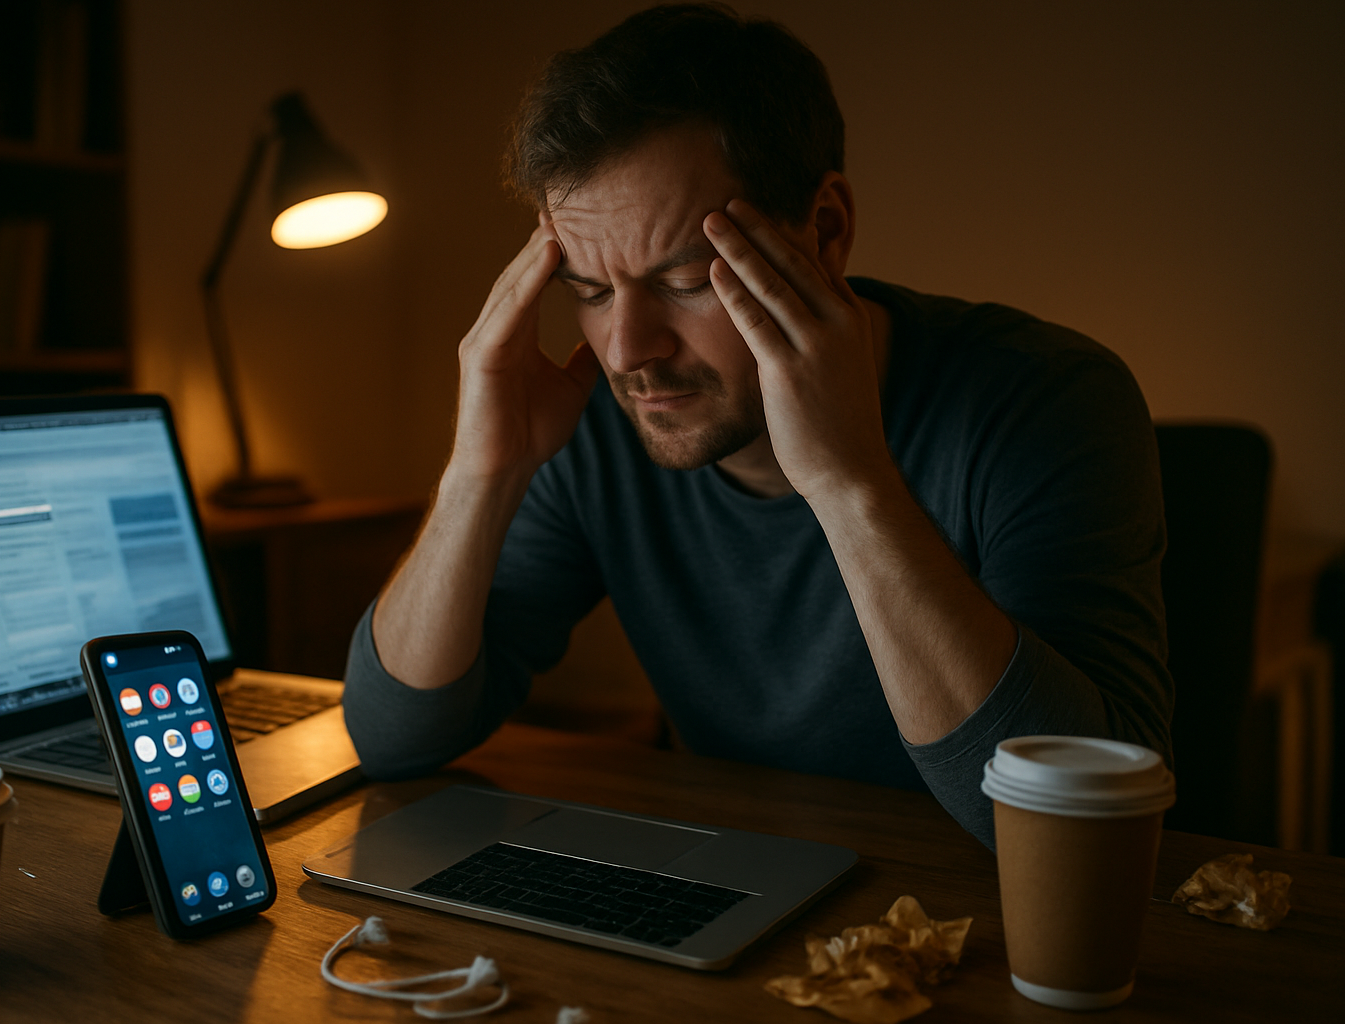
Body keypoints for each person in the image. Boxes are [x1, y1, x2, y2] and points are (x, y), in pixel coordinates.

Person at [342, 4, 1172, 847]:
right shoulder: (595, 423)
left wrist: (849, 483)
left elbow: (1078, 827)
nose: (628, 349)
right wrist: (480, 477)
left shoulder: (1044, 400)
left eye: (684, 282)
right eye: (589, 291)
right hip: (737, 891)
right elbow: (393, 737)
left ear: (826, 230)